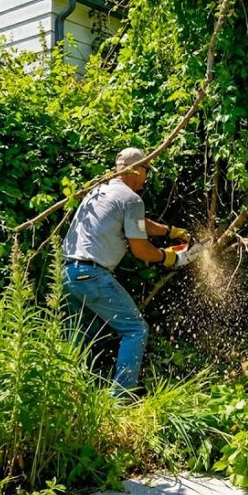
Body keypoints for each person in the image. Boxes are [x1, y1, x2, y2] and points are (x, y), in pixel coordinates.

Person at [61, 147, 195, 397]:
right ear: (137, 169)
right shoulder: (131, 199)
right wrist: (167, 257)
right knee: (135, 329)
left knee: (80, 335)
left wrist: (170, 231)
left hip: (70, 273)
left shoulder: (100, 190)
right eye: (146, 171)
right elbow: (141, 249)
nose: (146, 178)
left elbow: (138, 225)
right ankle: (121, 398)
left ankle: (65, 393)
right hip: (92, 275)